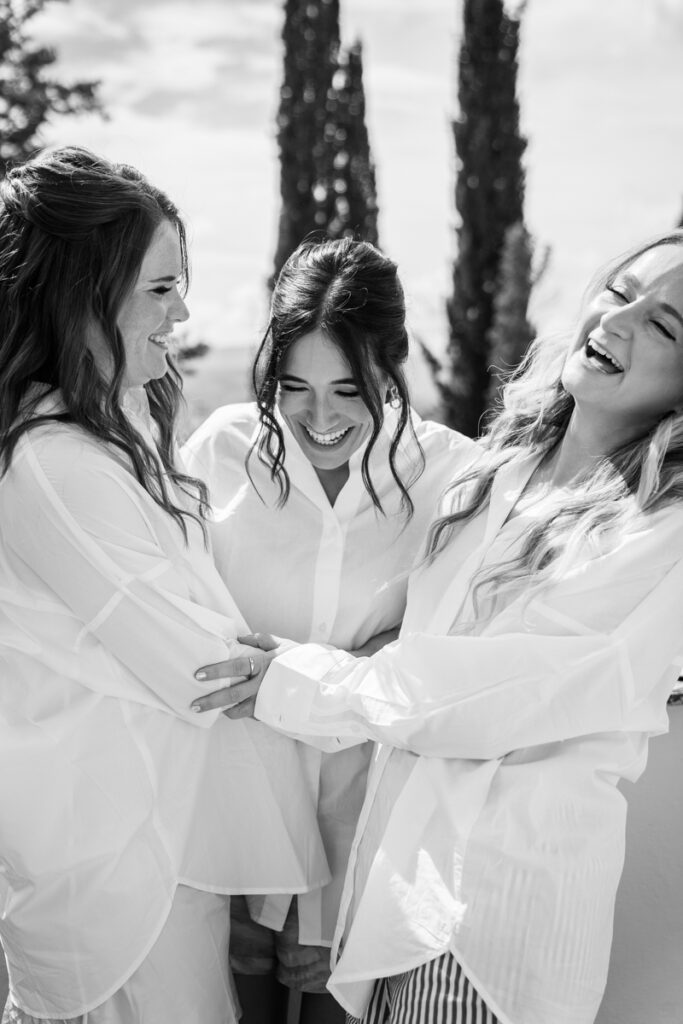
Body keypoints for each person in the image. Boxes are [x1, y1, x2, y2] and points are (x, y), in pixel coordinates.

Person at [192, 230, 683, 1024]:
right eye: (619, 292)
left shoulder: (659, 529)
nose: (616, 322)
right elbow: (427, 650)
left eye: (662, 325)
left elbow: (498, 692)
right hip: (395, 900)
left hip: (491, 918)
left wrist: (306, 677)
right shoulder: (499, 478)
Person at [0, 146, 330, 1024]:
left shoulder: (115, 432)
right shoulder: (53, 467)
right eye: (159, 289)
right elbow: (204, 670)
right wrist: (352, 673)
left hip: (155, 844)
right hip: (112, 878)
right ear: (76, 293)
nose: (183, 311)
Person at [182, 236, 474, 1024]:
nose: (318, 417)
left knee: (328, 1006)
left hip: (365, 808)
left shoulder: (454, 478)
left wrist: (357, 662)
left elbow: (456, 649)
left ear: (394, 363)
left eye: (350, 388)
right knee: (229, 993)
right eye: (294, 386)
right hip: (231, 794)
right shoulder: (222, 449)